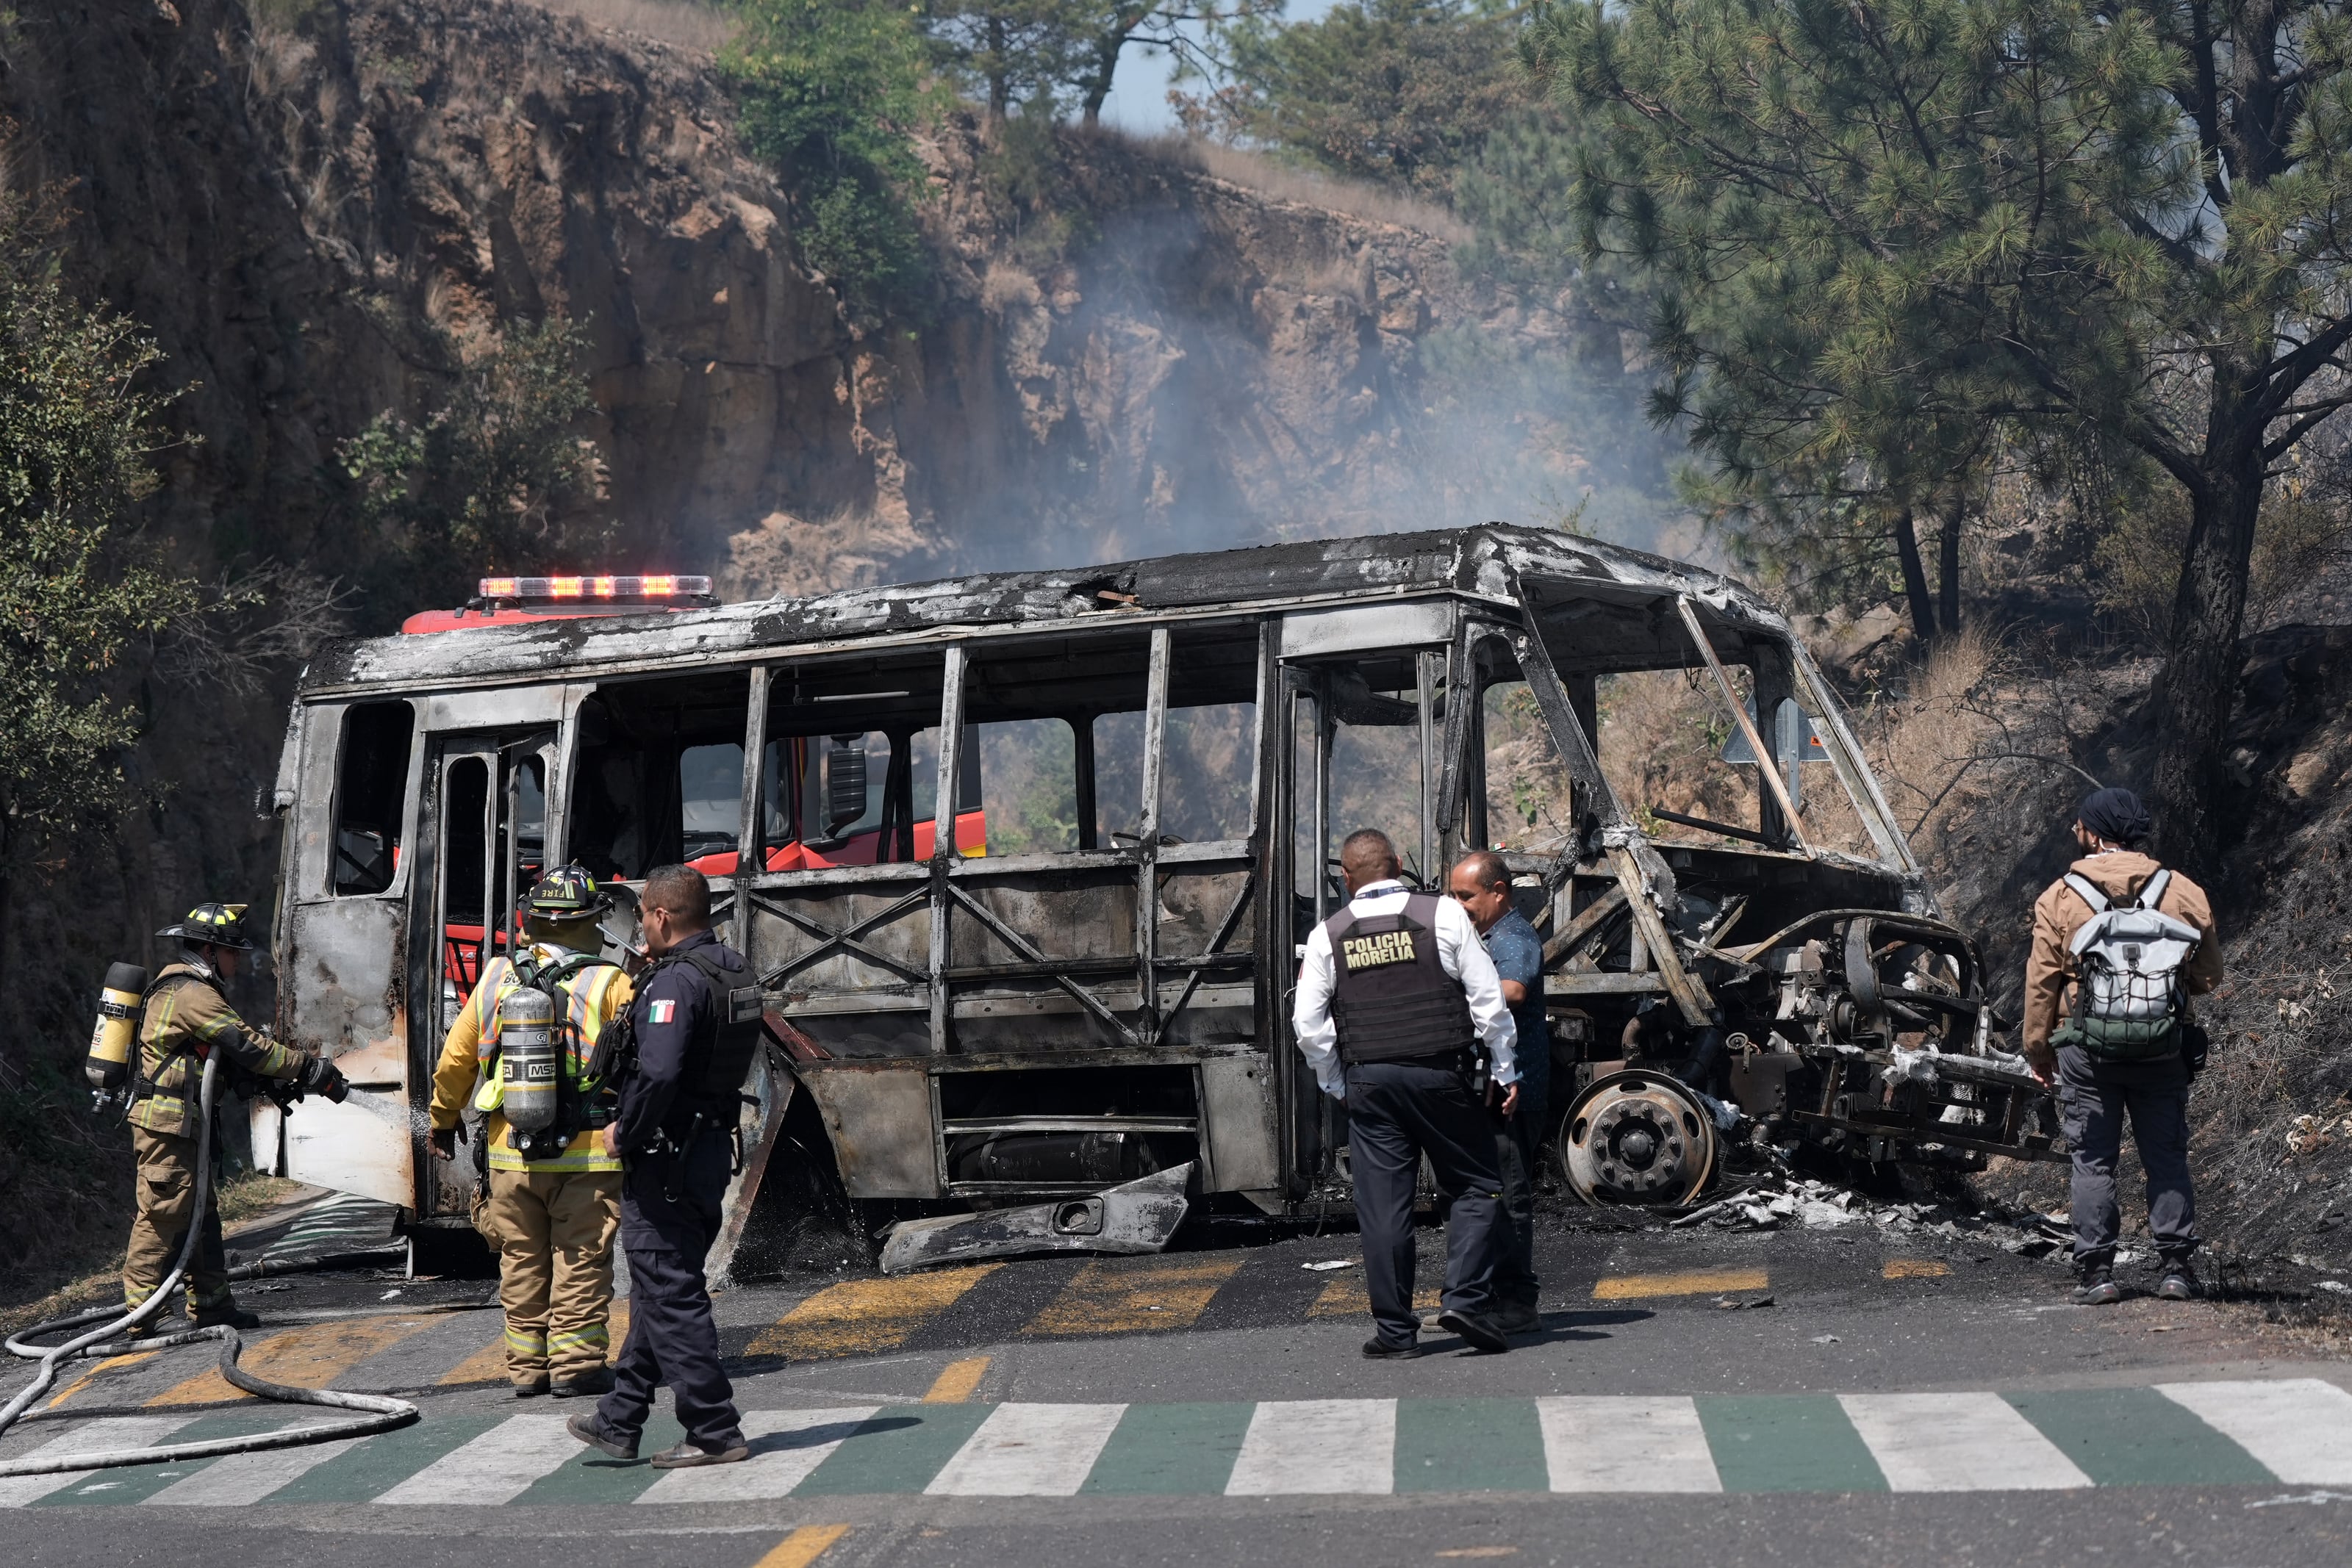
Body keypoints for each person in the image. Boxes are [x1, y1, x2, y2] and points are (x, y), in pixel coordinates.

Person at [1294, 829, 1519, 1359]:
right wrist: (1506, 1071)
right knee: (1476, 1184)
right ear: (1397, 864)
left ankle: (1396, 1335)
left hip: (1369, 1083)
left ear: (1346, 881)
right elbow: (1489, 1002)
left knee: (1383, 1209)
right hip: (1442, 1075)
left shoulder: (1329, 934)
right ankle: (1463, 1298)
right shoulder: (1441, 914)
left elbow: (1308, 1024)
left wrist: (1335, 1083)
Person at [569, 864, 753, 1468]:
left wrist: (628, 1128)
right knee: (657, 1289)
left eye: (644, 914)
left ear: (662, 917)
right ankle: (620, 1421)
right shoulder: (733, 970)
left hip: (665, 1160)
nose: (641, 925)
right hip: (704, 1154)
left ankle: (714, 1430)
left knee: (671, 1292)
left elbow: (662, 1071)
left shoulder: (676, 982)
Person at [430, 865, 634, 1398]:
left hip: (509, 1153)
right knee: (581, 1258)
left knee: (520, 1259)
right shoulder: (612, 983)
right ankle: (577, 1366)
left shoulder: (496, 978)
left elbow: (456, 1060)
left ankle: (527, 1370)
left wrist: (441, 1120)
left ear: (532, 921)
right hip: (588, 1154)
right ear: (593, 920)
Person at [2021, 787, 2223, 1305]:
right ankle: (2176, 1269)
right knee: (2166, 1157)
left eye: (2079, 825)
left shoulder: (2059, 896)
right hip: (2163, 1050)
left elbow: (2042, 980)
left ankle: (2097, 1274)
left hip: (2087, 1053)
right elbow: (2208, 978)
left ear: (2093, 832)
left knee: (2093, 1161)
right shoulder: (2183, 891)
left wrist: (2038, 1049)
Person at [123, 902, 345, 1333]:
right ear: (209, 951)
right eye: (231, 952)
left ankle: (212, 1306)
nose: (238, 960)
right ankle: (138, 1314)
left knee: (200, 1212)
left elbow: (223, 1056)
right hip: (167, 1124)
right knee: (164, 1211)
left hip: (186, 1122)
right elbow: (246, 1045)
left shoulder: (192, 989)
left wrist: (252, 1081)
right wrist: (308, 1067)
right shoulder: (191, 992)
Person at [1449, 850, 1547, 1337]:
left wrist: (1448, 993)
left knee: (1510, 1198)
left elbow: (1513, 991)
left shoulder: (1513, 935)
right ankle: (1481, 1300)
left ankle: (1518, 1303)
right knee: (1485, 1197)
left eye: (1465, 895)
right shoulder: (1481, 936)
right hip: (1488, 1087)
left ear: (1498, 892)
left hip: (1514, 1089)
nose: (1458, 904)